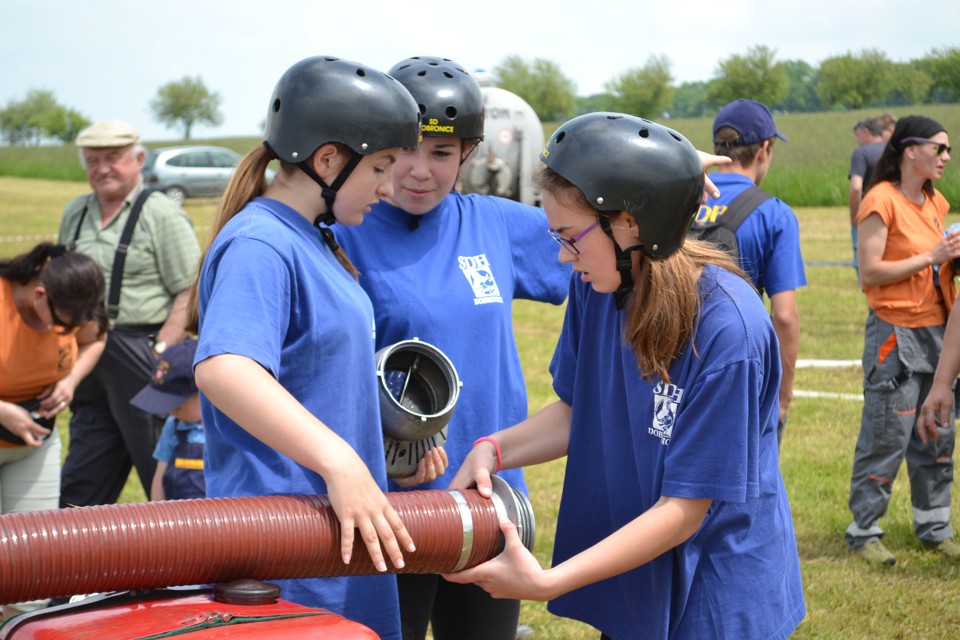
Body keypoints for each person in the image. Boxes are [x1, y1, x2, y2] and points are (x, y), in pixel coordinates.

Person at [442, 112, 806, 639]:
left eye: (570, 238)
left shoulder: (730, 328)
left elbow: (684, 510)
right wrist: (492, 450)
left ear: (631, 224)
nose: (565, 259)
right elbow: (578, 411)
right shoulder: (599, 284)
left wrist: (548, 581)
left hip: (716, 596)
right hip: (640, 575)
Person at [184, 55, 423, 640]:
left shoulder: (316, 240)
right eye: (382, 168)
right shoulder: (261, 243)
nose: (390, 188)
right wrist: (340, 461)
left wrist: (382, 449)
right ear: (327, 160)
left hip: (336, 537)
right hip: (287, 551)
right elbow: (226, 369)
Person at [336, 56, 572, 640]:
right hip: (393, 507)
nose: (419, 172)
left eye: (441, 154)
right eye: (408, 150)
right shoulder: (344, 230)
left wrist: (653, 180)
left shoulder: (496, 224)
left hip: (489, 503)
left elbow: (600, 248)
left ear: (466, 154)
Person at [56, 119, 202, 507]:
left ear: (139, 159)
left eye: (113, 158)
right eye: (93, 160)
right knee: (81, 480)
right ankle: (74, 557)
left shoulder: (161, 213)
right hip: (89, 353)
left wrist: (160, 348)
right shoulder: (76, 212)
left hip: (143, 350)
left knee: (163, 475)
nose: (103, 168)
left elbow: (190, 289)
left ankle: (182, 559)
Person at [847, 115, 958, 565]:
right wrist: (930, 256)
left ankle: (934, 525)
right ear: (910, 150)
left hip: (938, 329)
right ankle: (864, 530)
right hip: (894, 331)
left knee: (937, 430)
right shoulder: (880, 200)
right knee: (887, 432)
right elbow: (869, 272)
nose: (947, 157)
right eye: (940, 148)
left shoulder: (935, 203)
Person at [0, 242, 108, 620]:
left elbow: (96, 340)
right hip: (10, 423)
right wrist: (4, 412)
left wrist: (71, 380)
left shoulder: (74, 304)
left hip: (34, 446)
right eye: (62, 325)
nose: (66, 333)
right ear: (40, 294)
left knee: (32, 565)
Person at [697, 98, 806, 445]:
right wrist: (782, 399)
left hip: (673, 363)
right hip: (736, 366)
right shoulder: (774, 214)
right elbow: (784, 316)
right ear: (764, 149)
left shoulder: (683, 199)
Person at [130, 337, 205, 501]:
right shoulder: (174, 426)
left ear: (204, 393)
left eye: (177, 406)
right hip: (177, 520)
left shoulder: (224, 430)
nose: (172, 413)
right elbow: (160, 475)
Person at [849, 118, 888, 276]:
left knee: (863, 256)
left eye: (857, 135)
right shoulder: (894, 150)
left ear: (866, 133)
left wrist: (854, 215)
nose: (856, 140)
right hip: (893, 212)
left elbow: (856, 187)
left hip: (868, 212)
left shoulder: (862, 152)